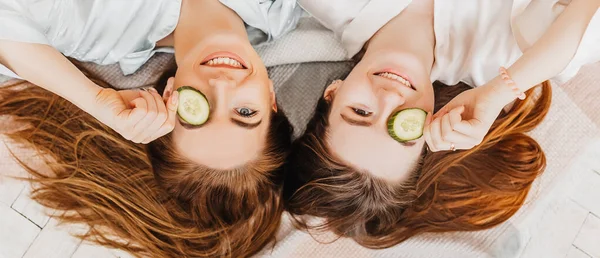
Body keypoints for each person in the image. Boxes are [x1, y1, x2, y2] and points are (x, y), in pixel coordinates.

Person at [285, 0, 599, 248]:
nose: (391, 98)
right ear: (427, 128)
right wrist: (499, 90)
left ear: (333, 93)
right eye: (400, 129)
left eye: (361, 112)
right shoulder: (504, 59)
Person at [0, 0, 301, 257]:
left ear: (169, 96)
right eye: (245, 112)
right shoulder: (281, 11)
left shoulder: (100, 32)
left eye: (197, 112)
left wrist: (93, 99)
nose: (221, 85)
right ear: (271, 99)